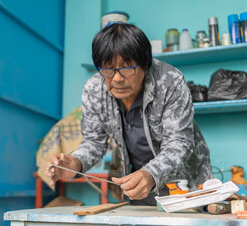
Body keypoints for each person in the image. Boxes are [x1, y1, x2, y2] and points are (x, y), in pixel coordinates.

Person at [46, 23, 213, 205]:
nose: (117, 78)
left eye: (126, 68)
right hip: (139, 187)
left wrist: (151, 174)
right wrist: (75, 163)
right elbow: (94, 142)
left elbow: (179, 143)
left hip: (187, 186)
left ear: (145, 65)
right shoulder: (94, 90)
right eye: (108, 68)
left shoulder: (170, 82)